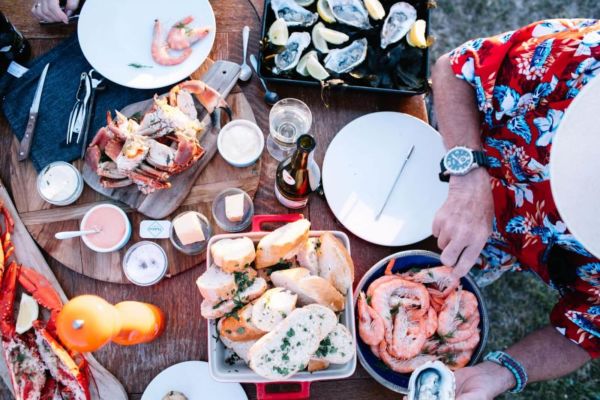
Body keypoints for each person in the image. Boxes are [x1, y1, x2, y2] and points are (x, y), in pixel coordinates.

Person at [431, 19, 599, 399]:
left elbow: (586, 329)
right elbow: (454, 71)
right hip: (452, 164)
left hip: (510, 251)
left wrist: (500, 373)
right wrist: (468, 177)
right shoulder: (583, 59)